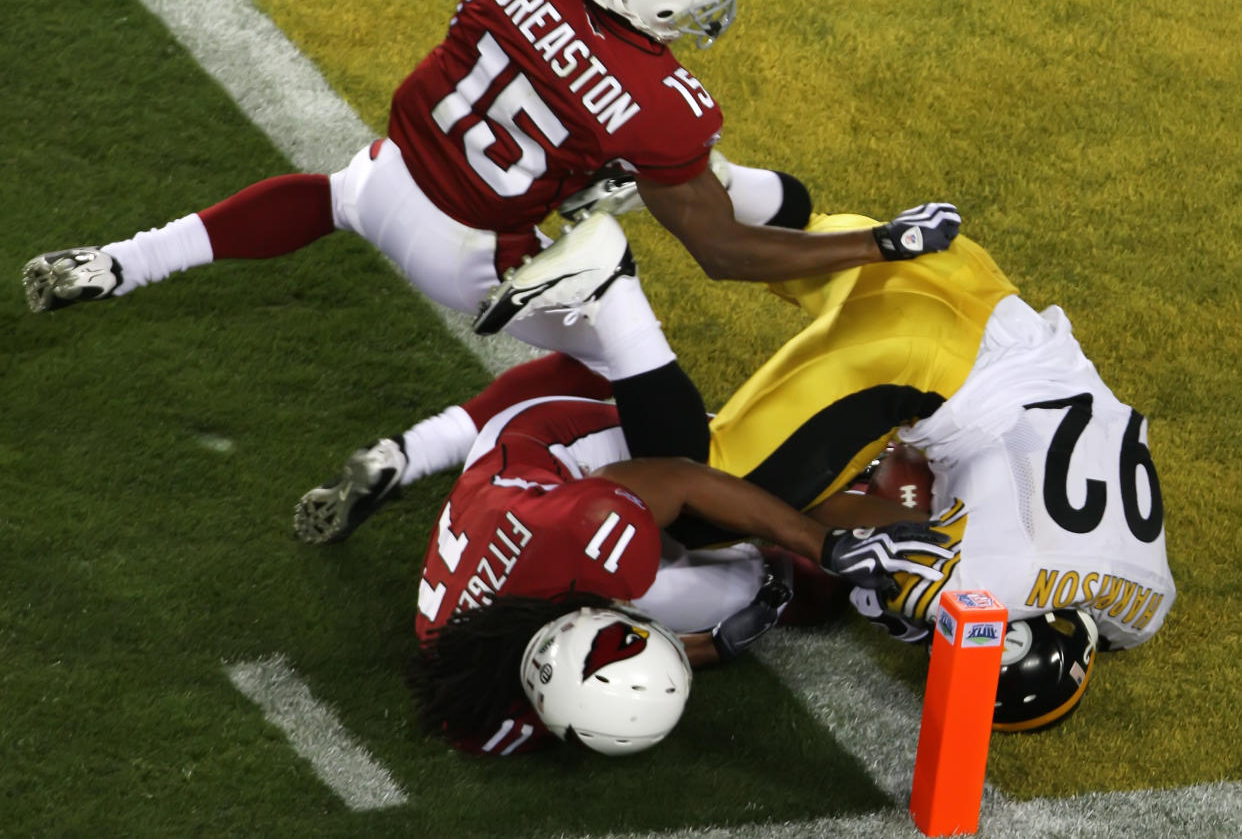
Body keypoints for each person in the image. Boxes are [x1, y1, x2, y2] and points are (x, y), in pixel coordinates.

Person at [20, 0, 961, 464]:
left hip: (392, 178)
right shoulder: (665, 102)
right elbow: (725, 253)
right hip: (486, 260)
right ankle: (607, 503)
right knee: (628, 363)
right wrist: (882, 243)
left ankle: (119, 262)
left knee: (336, 192)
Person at [315, 202, 1174, 733]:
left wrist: (865, 535)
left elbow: (878, 520)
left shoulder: (1143, 600)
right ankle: (629, 273)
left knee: (759, 505)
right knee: (728, 511)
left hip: (960, 279)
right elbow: (737, 503)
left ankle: (683, 213)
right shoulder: (978, 587)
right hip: (922, 354)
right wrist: (836, 548)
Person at [392, 379, 950, 756]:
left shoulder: (583, 539)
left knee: (754, 474)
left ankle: (910, 505)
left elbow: (685, 479)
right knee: (760, 589)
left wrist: (823, 544)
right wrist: (711, 647)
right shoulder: (479, 708)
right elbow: (599, 679)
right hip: (542, 547)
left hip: (548, 449)